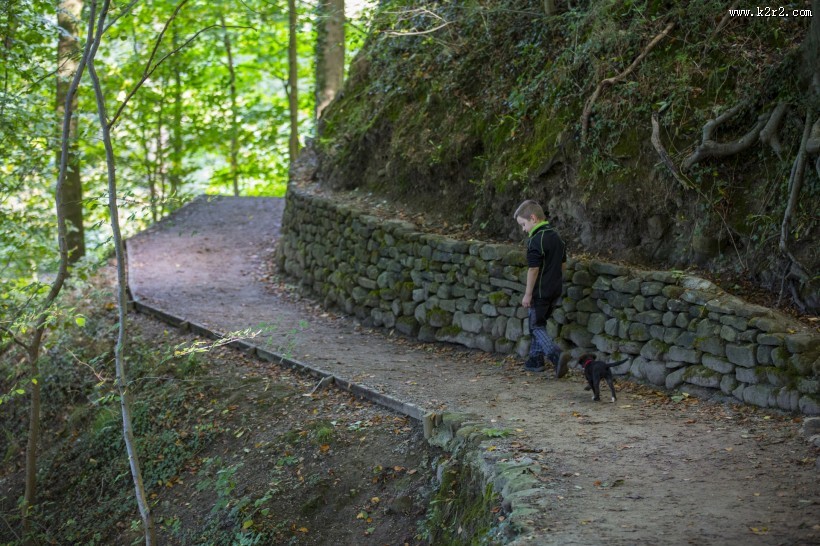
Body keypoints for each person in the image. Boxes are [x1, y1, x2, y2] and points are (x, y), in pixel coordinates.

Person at [513, 199, 567, 378]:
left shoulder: (536, 240)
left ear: (533, 218)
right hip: (555, 290)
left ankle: (555, 355)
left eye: (523, 224)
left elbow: (533, 269)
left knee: (535, 326)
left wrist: (528, 294)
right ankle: (535, 360)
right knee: (540, 323)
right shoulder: (556, 237)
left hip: (540, 291)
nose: (523, 229)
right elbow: (563, 265)